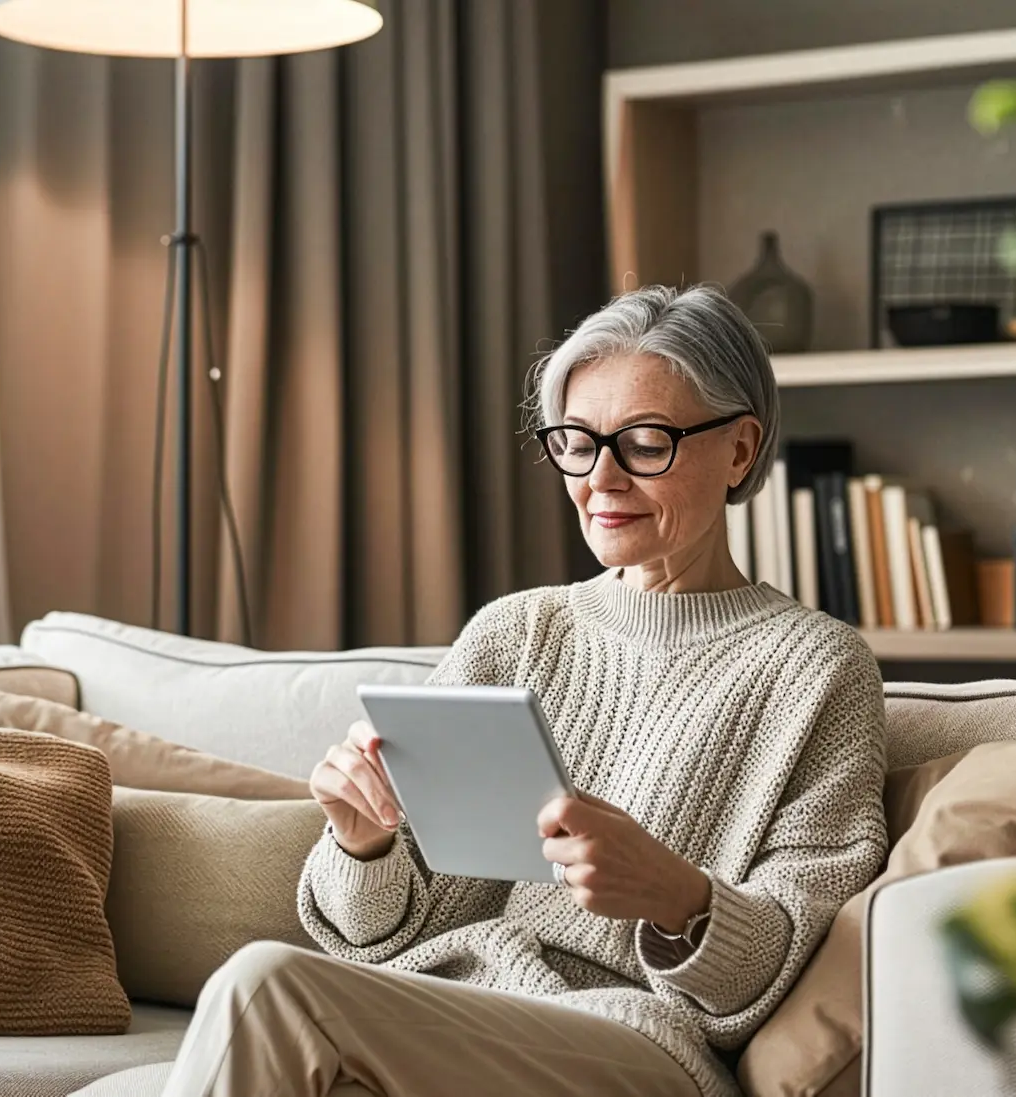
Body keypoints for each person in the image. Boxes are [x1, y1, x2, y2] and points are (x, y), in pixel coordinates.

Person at [162, 285, 887, 1097]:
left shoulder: (818, 669)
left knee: (264, 984)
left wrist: (678, 896)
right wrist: (362, 843)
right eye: (576, 442)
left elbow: (797, 953)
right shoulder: (519, 631)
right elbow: (371, 937)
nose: (601, 477)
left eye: (645, 442)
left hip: (636, 1044)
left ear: (741, 450)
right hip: (452, 1011)